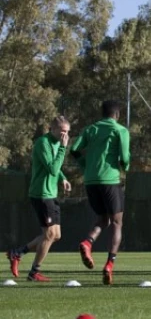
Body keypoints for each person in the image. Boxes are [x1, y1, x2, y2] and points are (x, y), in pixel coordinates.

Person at [70, 100, 131, 286]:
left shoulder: (91, 129)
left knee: (103, 219)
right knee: (117, 222)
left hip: (90, 181)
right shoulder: (120, 130)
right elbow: (125, 156)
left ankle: (88, 242)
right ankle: (109, 264)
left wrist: (85, 166)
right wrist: (125, 167)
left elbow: (74, 149)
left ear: (102, 113)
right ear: (117, 115)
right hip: (110, 180)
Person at [6, 117, 73, 282]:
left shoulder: (57, 143)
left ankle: (17, 253)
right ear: (53, 129)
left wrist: (63, 178)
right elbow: (52, 168)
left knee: (56, 235)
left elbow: (56, 169)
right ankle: (34, 272)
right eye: (62, 131)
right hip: (41, 194)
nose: (65, 135)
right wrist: (63, 149)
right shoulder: (43, 143)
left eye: (67, 132)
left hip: (51, 193)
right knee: (49, 234)